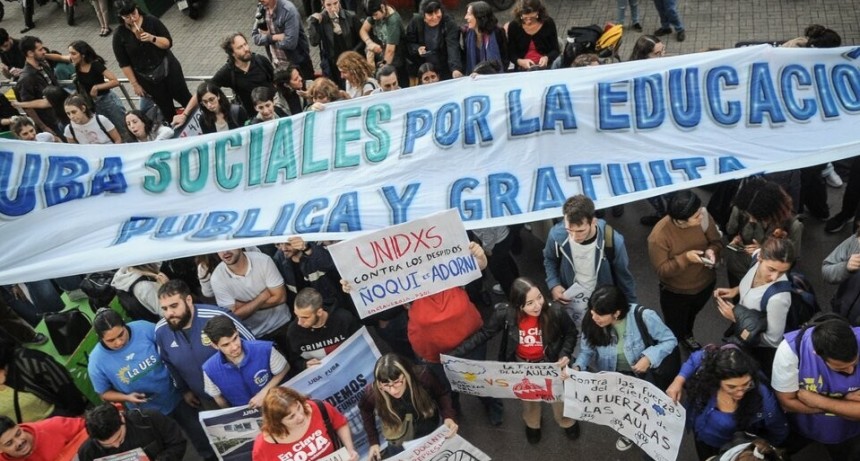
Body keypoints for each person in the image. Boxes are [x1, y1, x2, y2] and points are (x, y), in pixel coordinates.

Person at [451, 277, 579, 444]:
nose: (538, 305)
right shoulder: (505, 314)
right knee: (529, 400)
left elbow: (571, 333)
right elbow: (484, 334)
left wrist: (565, 354)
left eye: (539, 297)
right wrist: (454, 354)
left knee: (558, 399)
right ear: (518, 305)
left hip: (550, 365)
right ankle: (533, 424)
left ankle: (566, 422)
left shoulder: (555, 311)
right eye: (530, 303)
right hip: (522, 367)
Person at [86, 309, 216, 461]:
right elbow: (103, 393)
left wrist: (185, 389)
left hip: (176, 397)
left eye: (121, 334)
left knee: (201, 435)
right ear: (100, 338)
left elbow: (172, 354)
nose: (118, 342)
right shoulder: (96, 362)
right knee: (165, 451)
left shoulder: (144, 328)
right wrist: (126, 397)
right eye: (111, 340)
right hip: (145, 414)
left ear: (124, 324)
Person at [573, 284, 678, 452]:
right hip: (614, 377)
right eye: (591, 311)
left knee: (647, 409)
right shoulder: (591, 321)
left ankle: (650, 431)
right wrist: (578, 367)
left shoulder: (644, 317)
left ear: (616, 313)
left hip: (643, 377)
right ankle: (630, 431)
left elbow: (669, 340)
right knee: (624, 409)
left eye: (599, 314)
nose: (593, 317)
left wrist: (649, 357)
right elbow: (586, 351)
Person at [665, 345, 788, 460]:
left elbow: (778, 431)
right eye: (731, 387)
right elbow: (696, 358)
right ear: (716, 379)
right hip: (700, 436)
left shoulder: (763, 401)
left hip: (728, 449)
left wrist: (754, 451)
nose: (740, 393)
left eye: (746, 384)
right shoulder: (716, 360)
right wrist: (678, 380)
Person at [155, 280, 254, 410]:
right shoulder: (161, 330)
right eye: (164, 308)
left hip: (246, 392)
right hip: (207, 400)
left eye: (174, 306)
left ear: (189, 300)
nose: (169, 313)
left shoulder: (217, 316)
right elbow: (168, 363)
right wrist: (184, 390)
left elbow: (254, 347)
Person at [771, 316, 860, 458]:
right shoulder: (790, 351)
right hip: (811, 426)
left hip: (851, 431)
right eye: (840, 368)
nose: (851, 371)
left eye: (855, 363)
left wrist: (819, 402)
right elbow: (787, 402)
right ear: (816, 354)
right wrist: (848, 405)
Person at [544, 194, 637, 329]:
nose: (574, 237)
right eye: (570, 230)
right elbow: (549, 259)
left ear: (593, 221)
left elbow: (625, 278)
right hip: (574, 302)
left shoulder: (613, 241)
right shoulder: (556, 235)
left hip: (603, 302)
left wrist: (631, 311)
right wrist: (554, 284)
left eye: (580, 230)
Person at [648, 190, 721, 350]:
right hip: (676, 293)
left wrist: (713, 251)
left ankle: (687, 335)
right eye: (696, 217)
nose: (701, 217)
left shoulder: (704, 216)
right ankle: (672, 346)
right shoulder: (659, 236)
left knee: (691, 316)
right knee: (675, 325)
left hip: (705, 284)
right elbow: (662, 270)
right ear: (680, 221)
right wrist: (686, 258)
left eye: (700, 211)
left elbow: (716, 241)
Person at [714, 238, 796, 377]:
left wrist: (737, 319)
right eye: (771, 269)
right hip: (746, 321)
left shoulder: (778, 299)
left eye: (782, 272)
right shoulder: (756, 254)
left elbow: (773, 340)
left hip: (755, 348)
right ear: (760, 258)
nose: (774, 277)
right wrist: (736, 290)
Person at [359, 354, 457, 459]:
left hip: (431, 428)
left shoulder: (423, 376)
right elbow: (365, 409)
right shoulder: (373, 392)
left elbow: (441, 394)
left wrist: (448, 416)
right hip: (399, 438)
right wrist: (374, 442)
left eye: (397, 382)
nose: (393, 390)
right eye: (386, 386)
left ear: (406, 375)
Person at [112, 0, 192, 127]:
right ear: (121, 17)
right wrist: (135, 84)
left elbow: (168, 43)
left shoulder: (151, 21)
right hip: (147, 78)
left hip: (168, 69)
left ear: (137, 9)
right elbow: (124, 63)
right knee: (166, 107)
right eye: (127, 17)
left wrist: (152, 38)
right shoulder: (119, 35)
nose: (132, 18)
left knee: (185, 98)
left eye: (133, 14)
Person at [175, 32, 275, 125]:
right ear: (232, 53)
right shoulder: (228, 72)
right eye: (240, 47)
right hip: (255, 118)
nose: (246, 49)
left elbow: (275, 81)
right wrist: (185, 114)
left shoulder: (260, 60)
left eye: (245, 44)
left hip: (273, 110)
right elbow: (204, 91)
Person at [209, 248, 292, 352]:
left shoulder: (263, 261)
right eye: (220, 248)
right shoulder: (217, 278)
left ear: (239, 245)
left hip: (282, 323)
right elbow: (233, 316)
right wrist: (262, 297)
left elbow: (280, 298)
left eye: (229, 246)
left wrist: (243, 306)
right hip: (254, 335)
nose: (225, 252)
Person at [724, 178, 802, 287]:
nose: (751, 220)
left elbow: (791, 261)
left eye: (755, 216)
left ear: (770, 212)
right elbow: (730, 230)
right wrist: (735, 239)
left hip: (764, 281)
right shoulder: (744, 206)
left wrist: (763, 251)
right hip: (737, 269)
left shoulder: (793, 226)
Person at [202, 315, 288, 409]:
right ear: (215, 345)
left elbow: (284, 368)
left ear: (237, 331)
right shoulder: (209, 369)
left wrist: (264, 392)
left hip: (277, 406)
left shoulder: (264, 349)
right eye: (226, 344)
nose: (234, 347)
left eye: (235, 338)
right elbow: (218, 398)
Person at [253, 386, 358, 461]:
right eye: (291, 417)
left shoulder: (318, 407)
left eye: (299, 407)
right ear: (277, 422)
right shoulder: (263, 446)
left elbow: (340, 423)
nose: (300, 416)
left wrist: (350, 450)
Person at [0, 338, 88, 421]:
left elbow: (68, 391)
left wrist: (78, 418)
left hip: (65, 423)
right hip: (20, 435)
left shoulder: (31, 361)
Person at [286, 288, 361, 373]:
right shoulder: (294, 331)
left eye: (305, 317)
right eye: (297, 315)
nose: (299, 322)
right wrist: (304, 364)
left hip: (352, 367)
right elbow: (293, 361)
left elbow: (362, 343)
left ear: (319, 312)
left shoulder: (344, 319)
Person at [77, 403, 186, 461]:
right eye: (107, 445)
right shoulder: (87, 452)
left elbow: (177, 443)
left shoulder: (149, 419)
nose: (115, 445)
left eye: (118, 438)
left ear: (122, 418)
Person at [274, 237, 352, 313]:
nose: (283, 248)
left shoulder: (315, 251)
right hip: (306, 314)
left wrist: (308, 249)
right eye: (279, 244)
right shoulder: (279, 259)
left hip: (332, 309)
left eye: (288, 243)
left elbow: (332, 265)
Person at [67, 41, 126, 135]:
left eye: (73, 53)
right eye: (69, 53)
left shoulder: (95, 65)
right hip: (93, 104)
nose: (70, 56)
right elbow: (60, 57)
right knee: (107, 129)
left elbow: (115, 81)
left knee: (122, 127)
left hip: (107, 101)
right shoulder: (77, 65)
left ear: (83, 55)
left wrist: (96, 87)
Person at [307, 0, 365, 89]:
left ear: (339, 2)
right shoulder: (321, 21)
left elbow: (362, 40)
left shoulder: (350, 16)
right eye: (329, 5)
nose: (333, 8)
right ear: (323, 5)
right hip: (333, 65)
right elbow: (314, 42)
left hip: (351, 61)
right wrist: (312, 23)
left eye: (335, 3)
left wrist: (353, 54)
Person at [252, 0, 314, 81]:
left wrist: (267, 38)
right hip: (278, 65)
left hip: (298, 64)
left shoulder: (288, 10)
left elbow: (290, 43)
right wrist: (274, 37)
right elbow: (255, 38)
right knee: (285, 92)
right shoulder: (261, 9)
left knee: (306, 90)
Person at [13, 36, 60, 137]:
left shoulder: (43, 65)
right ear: (30, 53)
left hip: (61, 114)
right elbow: (28, 106)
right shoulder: (26, 78)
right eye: (40, 49)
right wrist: (43, 127)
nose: (44, 52)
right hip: (51, 122)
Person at [405, 0, 463, 80]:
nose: (435, 17)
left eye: (437, 12)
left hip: (444, 65)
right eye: (430, 14)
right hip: (424, 68)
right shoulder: (416, 22)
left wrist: (455, 69)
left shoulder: (449, 23)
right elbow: (409, 42)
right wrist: (417, 49)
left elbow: (452, 47)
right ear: (423, 16)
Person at [360, 0, 409, 89]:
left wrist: (383, 69)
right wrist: (369, 43)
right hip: (382, 55)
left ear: (382, 7)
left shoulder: (393, 20)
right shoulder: (374, 13)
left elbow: (390, 51)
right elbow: (363, 30)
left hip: (396, 61)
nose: (374, 18)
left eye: (375, 15)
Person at [0, 415, 87, 461]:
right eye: (9, 443)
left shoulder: (54, 426)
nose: (19, 442)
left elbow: (93, 429)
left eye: (18, 433)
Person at [507, 0, 559, 71]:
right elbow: (511, 53)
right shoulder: (514, 26)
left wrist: (547, 57)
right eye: (525, 18)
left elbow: (556, 50)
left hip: (546, 67)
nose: (528, 21)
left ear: (538, 12)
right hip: (522, 68)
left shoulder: (548, 23)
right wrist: (520, 61)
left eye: (532, 18)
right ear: (520, 14)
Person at [461, 1, 508, 74]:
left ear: (480, 17)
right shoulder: (466, 33)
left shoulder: (497, 32)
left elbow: (504, 58)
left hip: (494, 77)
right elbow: (465, 59)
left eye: (469, 14)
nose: (465, 17)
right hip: (473, 77)